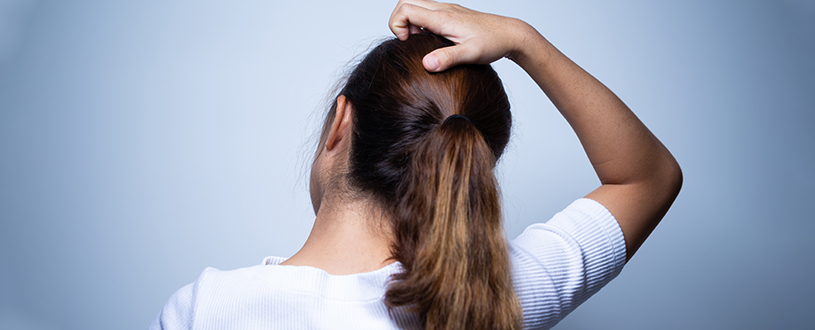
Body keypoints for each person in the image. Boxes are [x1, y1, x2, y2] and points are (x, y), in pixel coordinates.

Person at [149, 1, 682, 329]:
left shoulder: (206, 311)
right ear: (469, 162)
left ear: (341, 123)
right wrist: (523, 40)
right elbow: (648, 177)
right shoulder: (493, 302)